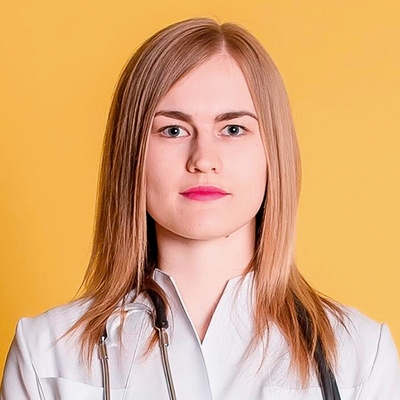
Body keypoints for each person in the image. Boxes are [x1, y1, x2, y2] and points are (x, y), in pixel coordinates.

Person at [1, 17, 399, 400]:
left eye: (233, 129)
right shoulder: (46, 356)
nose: (203, 159)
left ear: (273, 152)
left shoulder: (361, 358)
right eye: (173, 130)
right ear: (131, 154)